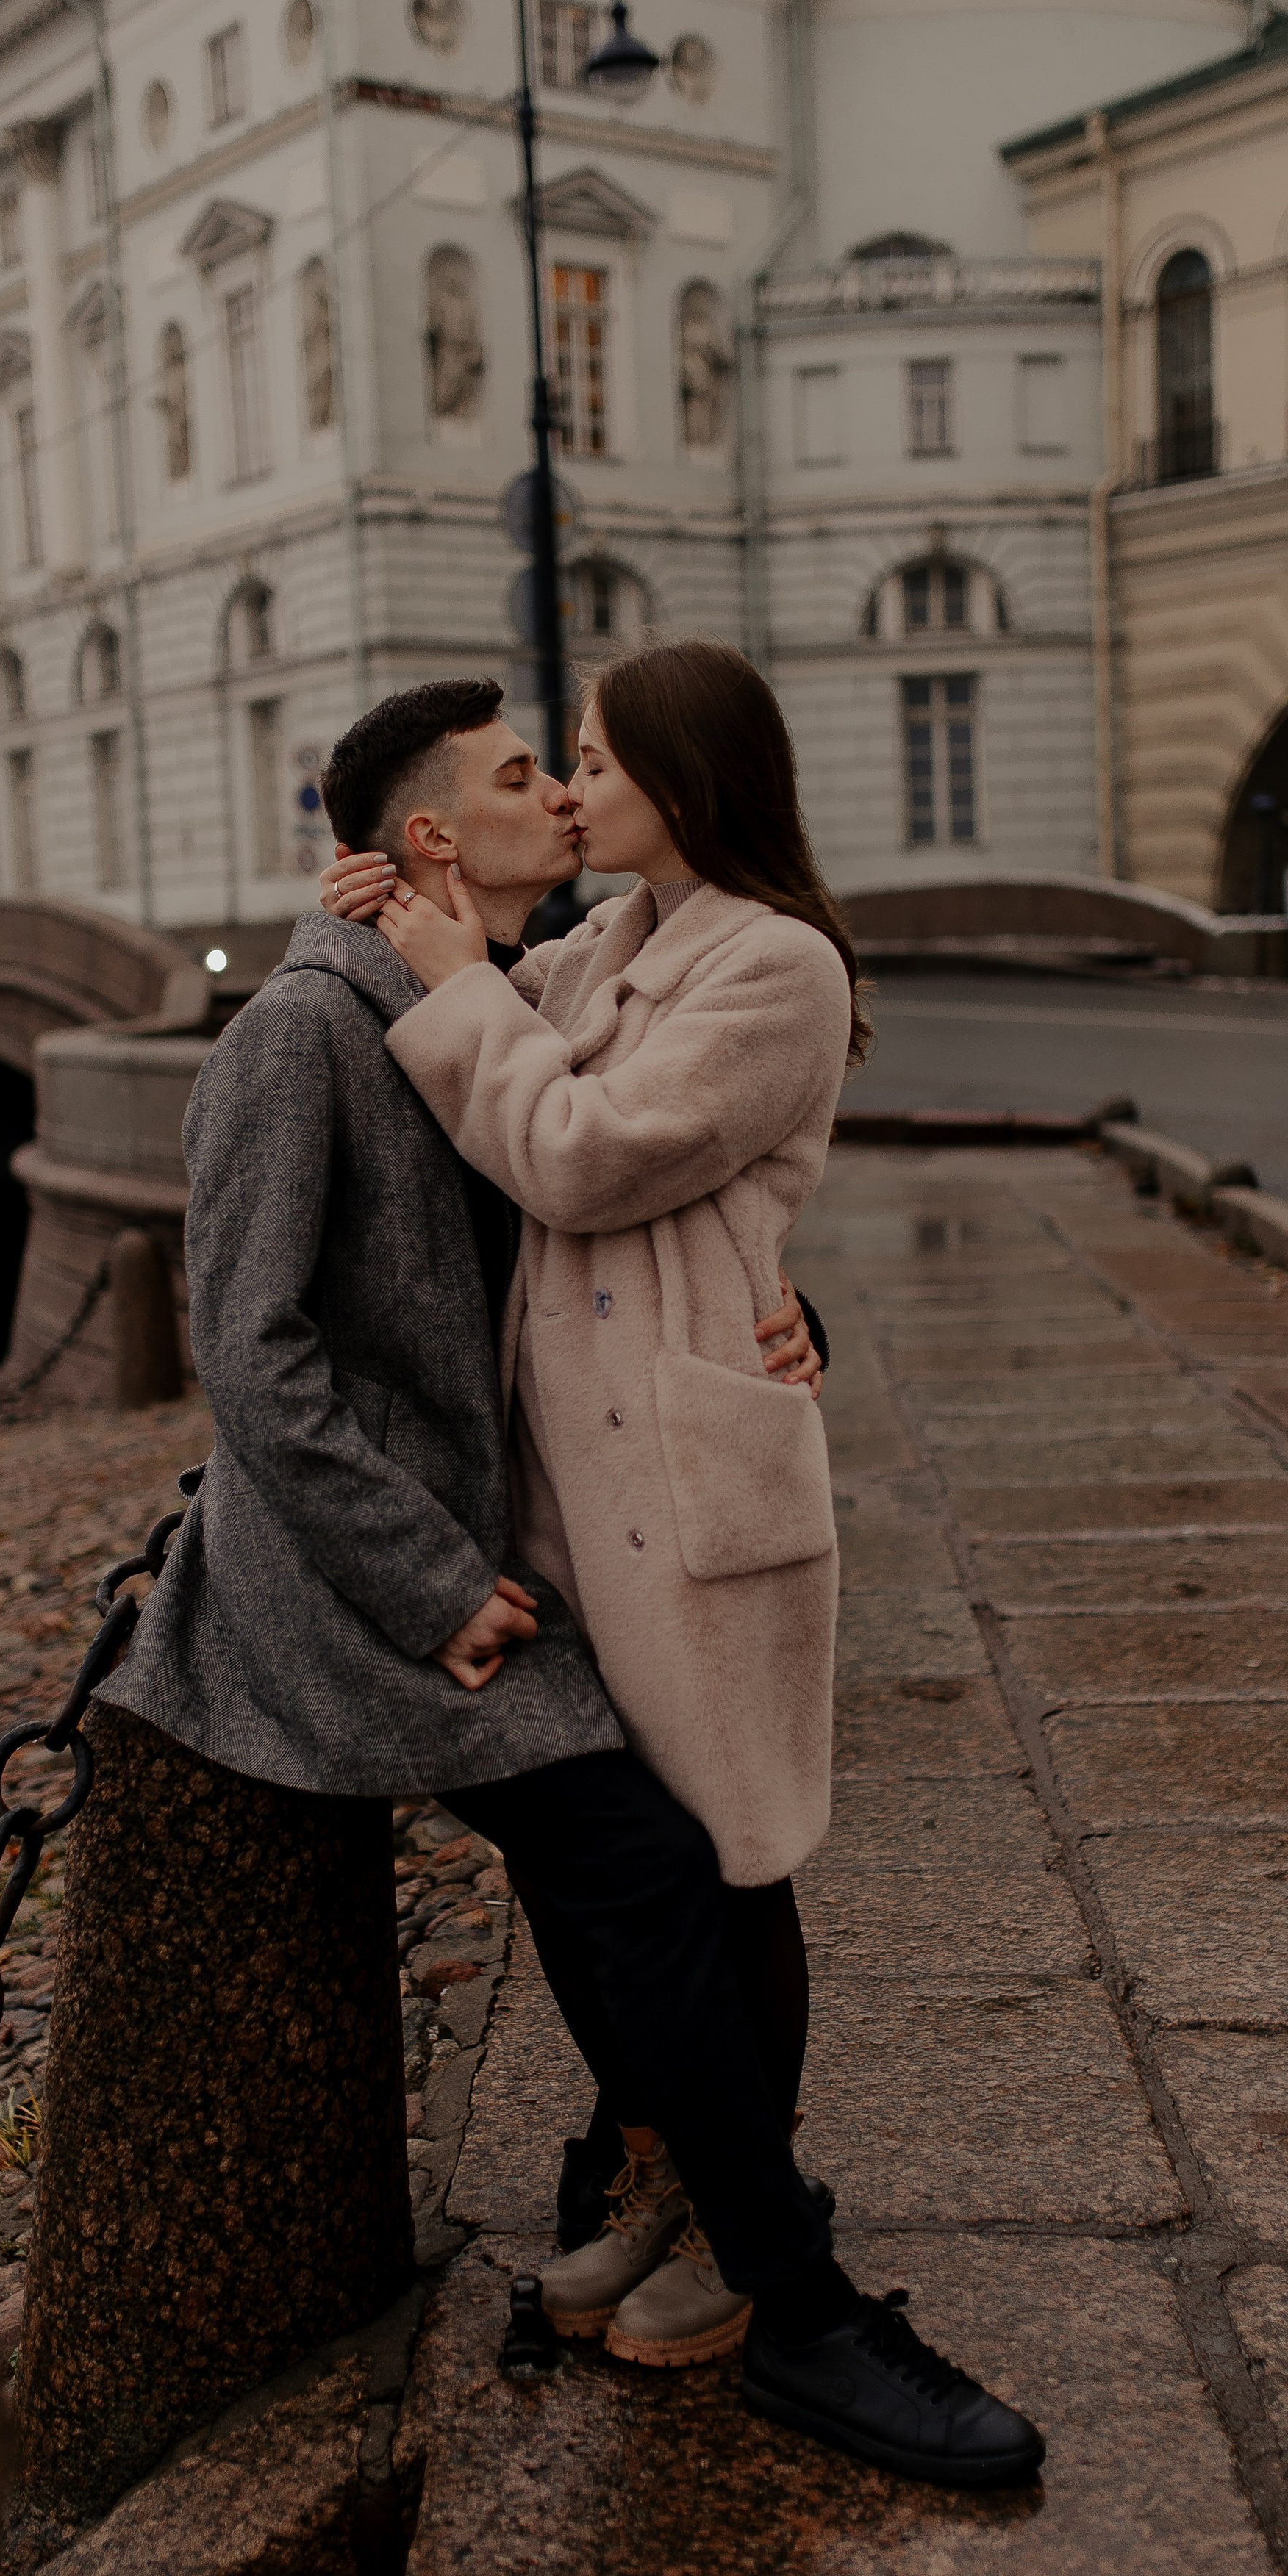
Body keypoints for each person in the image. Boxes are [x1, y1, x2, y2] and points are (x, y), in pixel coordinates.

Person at [318, 641, 1045, 2480]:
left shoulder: (774, 962)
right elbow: (498, 1007)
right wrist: (410, 922)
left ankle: (737, 2241)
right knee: (627, 1864)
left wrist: (439, 977)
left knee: (723, 1853)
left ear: (674, 768)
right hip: (570, 1476)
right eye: (547, 763)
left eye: (587, 759)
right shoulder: (621, 937)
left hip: (684, 1480)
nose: (566, 788)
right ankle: (683, 2201)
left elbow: (568, 1149)